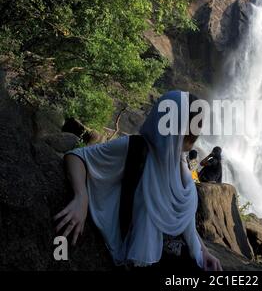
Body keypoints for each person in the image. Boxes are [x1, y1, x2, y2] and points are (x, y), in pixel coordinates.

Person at [54, 91, 222, 271]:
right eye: (194, 127)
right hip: (145, 260)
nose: (197, 133)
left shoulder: (178, 161)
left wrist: (203, 251)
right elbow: (77, 156)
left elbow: (180, 218)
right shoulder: (134, 148)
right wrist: (81, 197)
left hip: (185, 257)